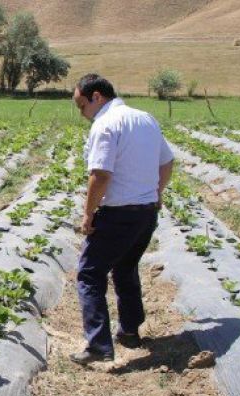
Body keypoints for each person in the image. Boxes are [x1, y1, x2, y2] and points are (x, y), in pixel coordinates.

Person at [71, 74, 175, 365]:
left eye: (81, 105)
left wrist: (89, 213)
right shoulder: (145, 119)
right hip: (146, 212)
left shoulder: (105, 124)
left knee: (90, 274)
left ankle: (98, 345)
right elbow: (167, 162)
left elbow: (101, 175)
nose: (81, 113)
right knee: (125, 267)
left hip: (117, 214)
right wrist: (156, 192)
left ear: (97, 98)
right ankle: (130, 331)